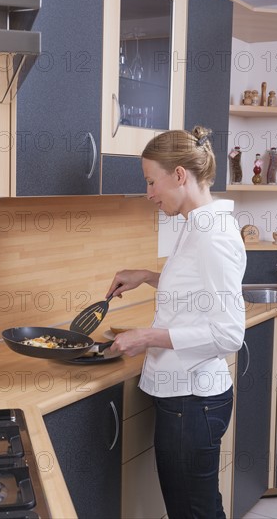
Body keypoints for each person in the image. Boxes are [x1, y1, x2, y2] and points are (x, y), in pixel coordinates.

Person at [107, 126, 247, 519]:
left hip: (193, 403)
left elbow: (229, 333)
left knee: (194, 513)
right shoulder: (198, 223)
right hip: (187, 401)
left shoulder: (211, 236)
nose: (149, 192)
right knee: (193, 510)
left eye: (152, 181)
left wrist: (146, 336)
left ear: (180, 175)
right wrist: (148, 276)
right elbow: (197, 289)